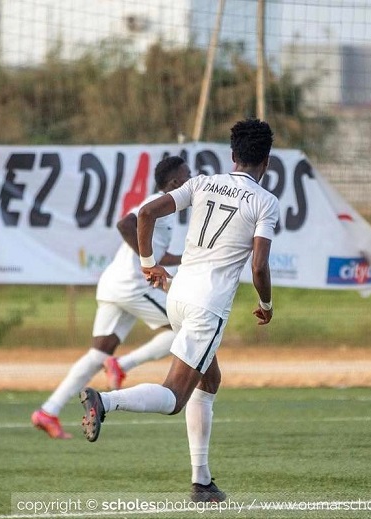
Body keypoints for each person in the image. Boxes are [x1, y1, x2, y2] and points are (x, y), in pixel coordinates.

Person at [79, 118, 280, 503]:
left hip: (178, 295)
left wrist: (148, 263)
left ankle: (202, 482)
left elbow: (145, 214)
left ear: (233, 155)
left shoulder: (202, 183)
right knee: (174, 397)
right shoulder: (265, 202)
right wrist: (266, 304)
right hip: (207, 306)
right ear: (266, 162)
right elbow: (258, 266)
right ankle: (106, 401)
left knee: (209, 381)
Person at [30, 156, 191, 439]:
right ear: (176, 183)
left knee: (97, 355)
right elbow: (125, 225)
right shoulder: (157, 203)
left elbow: (155, 252)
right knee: (185, 329)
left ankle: (48, 410)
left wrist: (184, 258)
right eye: (188, 176)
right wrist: (147, 263)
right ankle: (122, 365)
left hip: (115, 285)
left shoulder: (164, 212)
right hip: (132, 287)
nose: (193, 181)